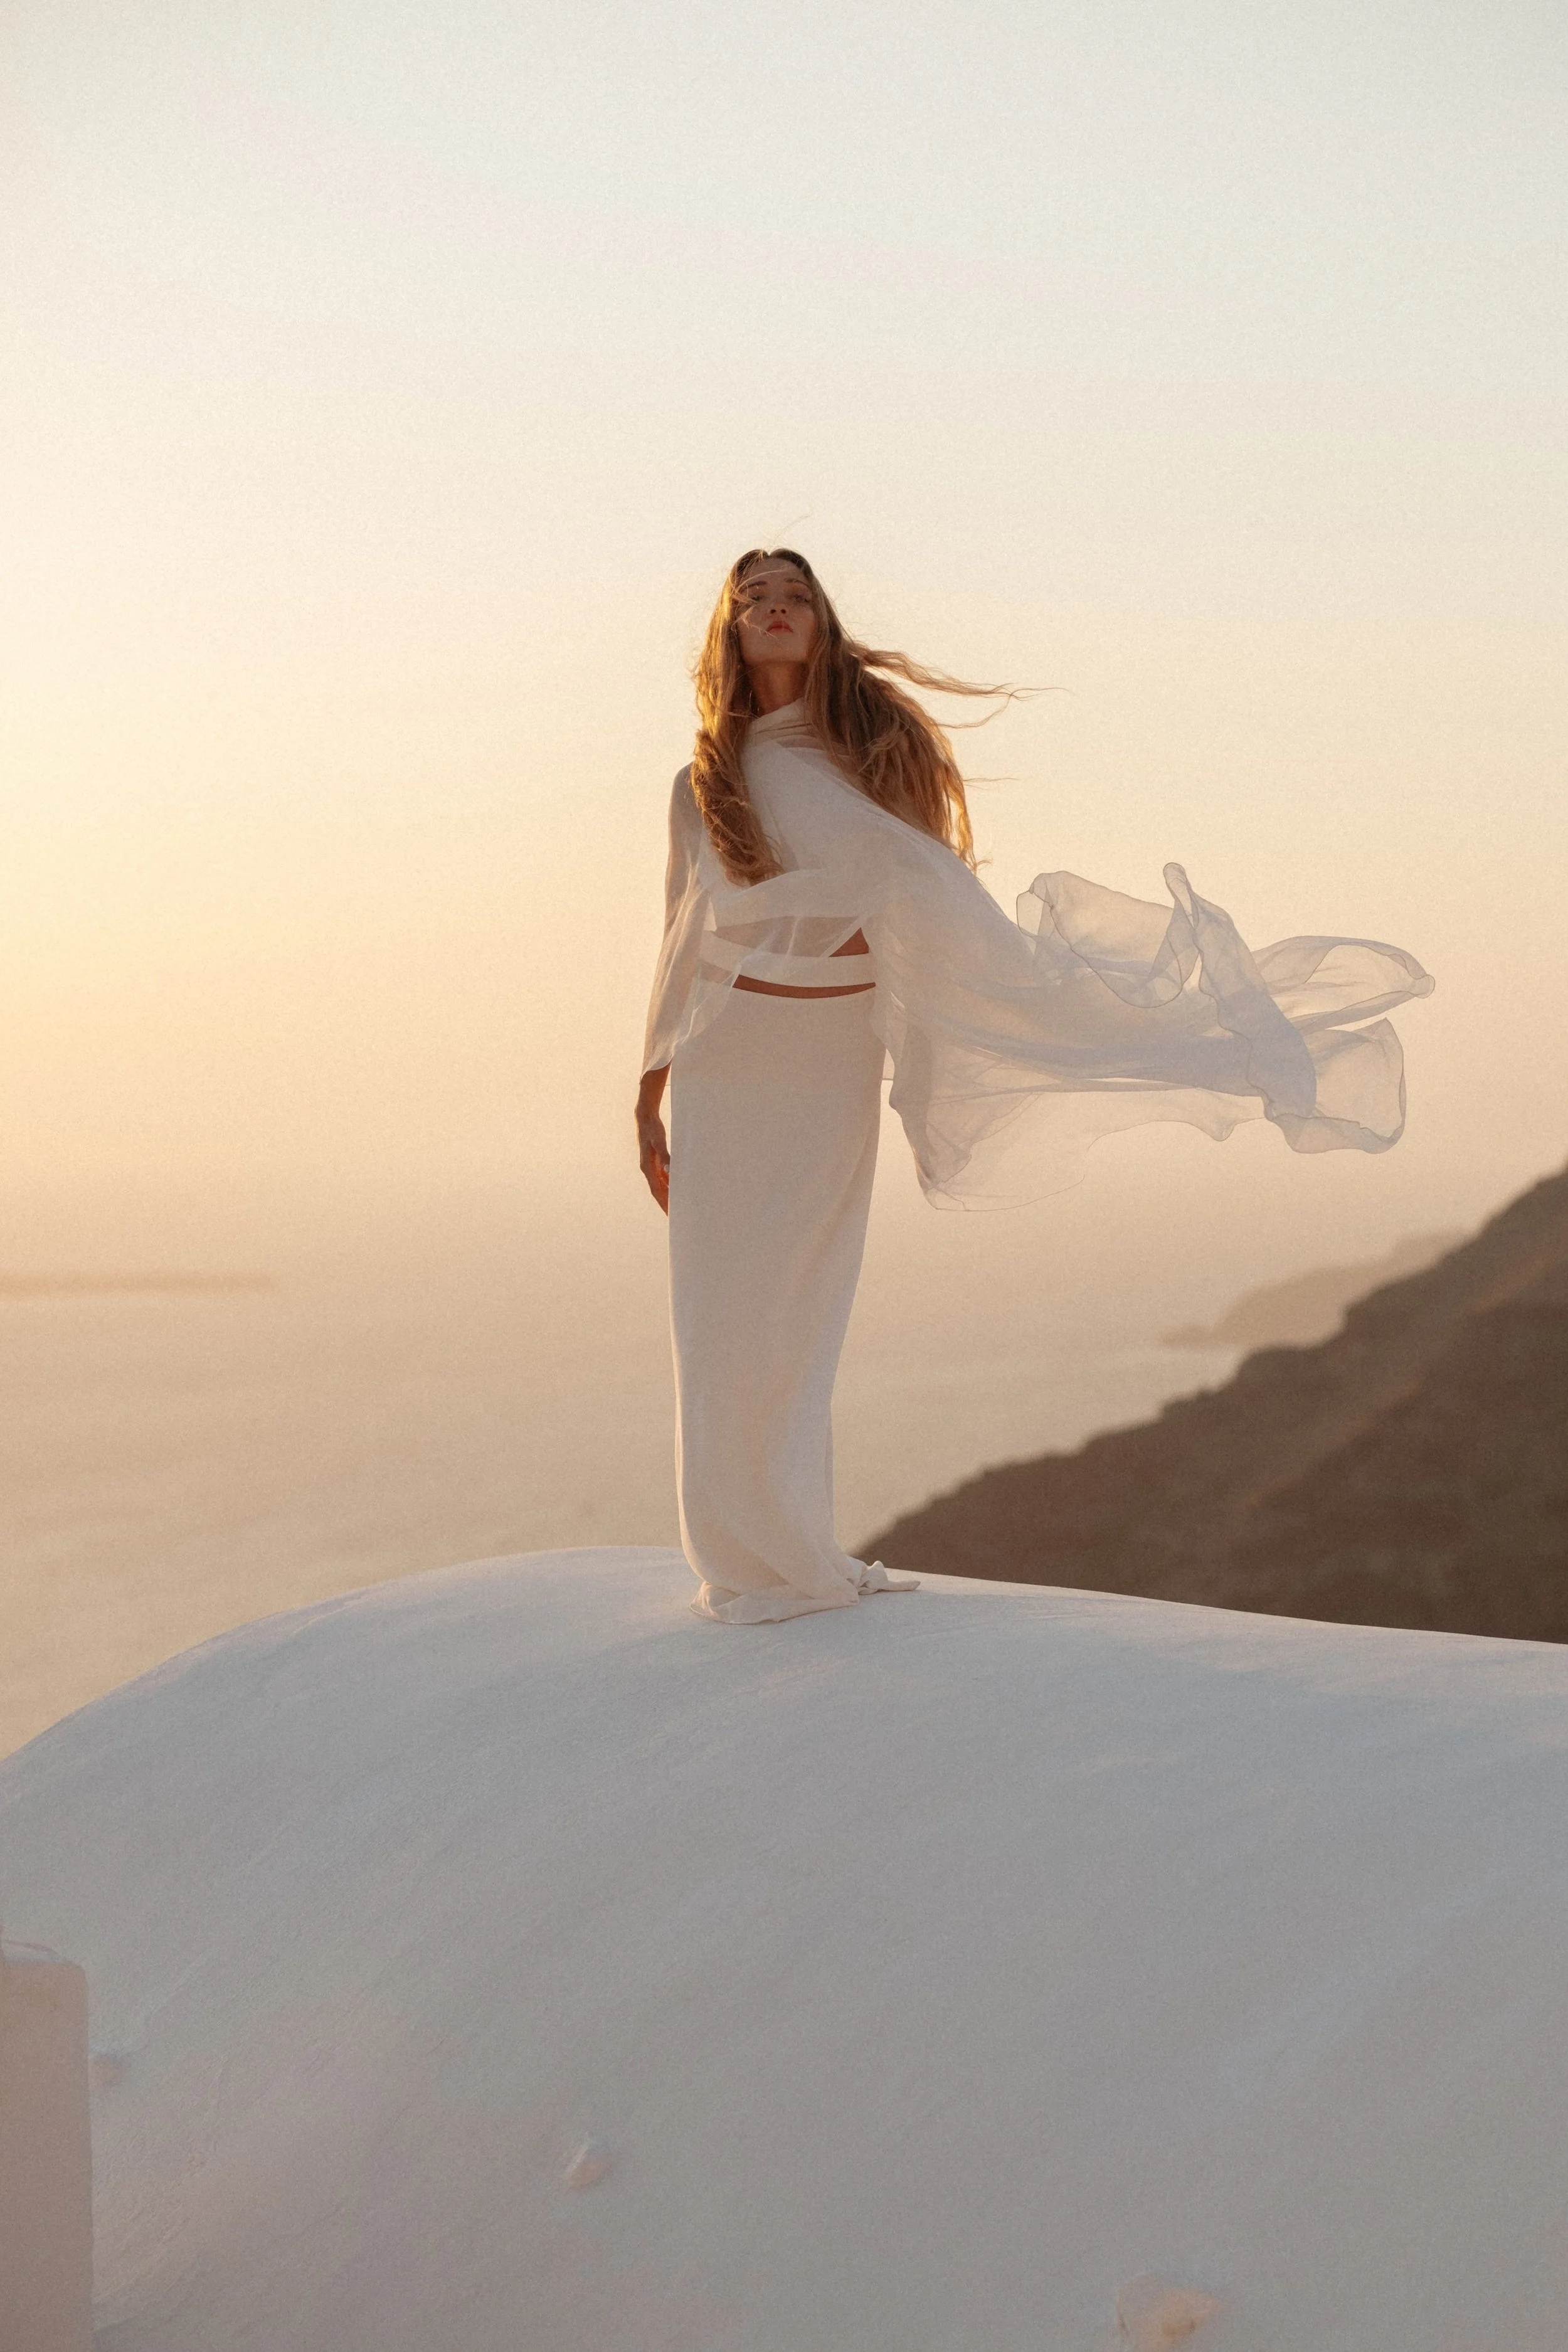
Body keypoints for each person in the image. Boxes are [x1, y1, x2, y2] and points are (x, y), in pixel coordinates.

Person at [637, 549, 1433, 1626]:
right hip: (731, 1057)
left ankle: (795, 1543)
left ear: (822, 627)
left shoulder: (867, 762)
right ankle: (739, 1559)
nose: (774, 612)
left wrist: (1032, 993)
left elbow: (929, 893)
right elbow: (679, 938)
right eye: (753, 603)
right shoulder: (704, 783)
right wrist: (648, 1089)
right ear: (730, 637)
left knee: (805, 1297)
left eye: (794, 599)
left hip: (827, 1052)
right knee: (719, 1308)